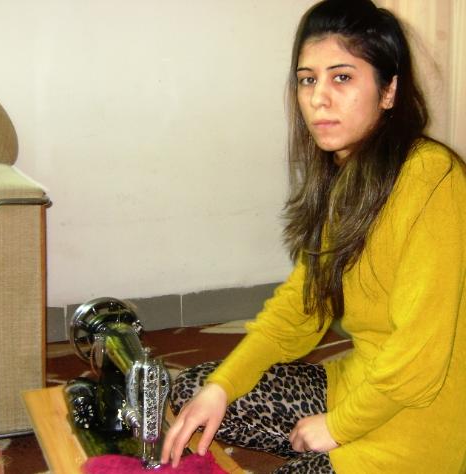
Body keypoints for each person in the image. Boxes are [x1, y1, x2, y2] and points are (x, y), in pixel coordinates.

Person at [160, 0, 466, 472]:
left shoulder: (433, 179)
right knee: (196, 392)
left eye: (342, 77)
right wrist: (222, 386)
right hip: (360, 385)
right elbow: (300, 309)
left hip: (419, 422)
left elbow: (419, 360)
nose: (318, 97)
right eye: (308, 79)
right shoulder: (348, 176)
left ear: (388, 91)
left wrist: (338, 427)